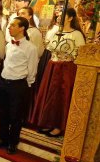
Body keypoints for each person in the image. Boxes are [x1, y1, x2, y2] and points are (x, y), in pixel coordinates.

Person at [31, 8, 85, 137]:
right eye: (58, 15)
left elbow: (81, 53)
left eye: (62, 15)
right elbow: (49, 47)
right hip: (52, 66)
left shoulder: (76, 34)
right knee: (49, 95)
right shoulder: (56, 31)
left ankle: (58, 125)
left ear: (70, 18)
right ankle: (47, 122)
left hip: (66, 69)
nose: (59, 17)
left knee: (61, 96)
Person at [0, 17, 38, 154]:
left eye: (13, 25)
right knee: (3, 113)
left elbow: (32, 69)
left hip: (18, 85)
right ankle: (3, 138)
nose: (9, 27)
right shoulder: (9, 45)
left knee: (16, 116)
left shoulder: (31, 48)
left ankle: (13, 142)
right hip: (3, 81)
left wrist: (26, 85)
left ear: (22, 28)